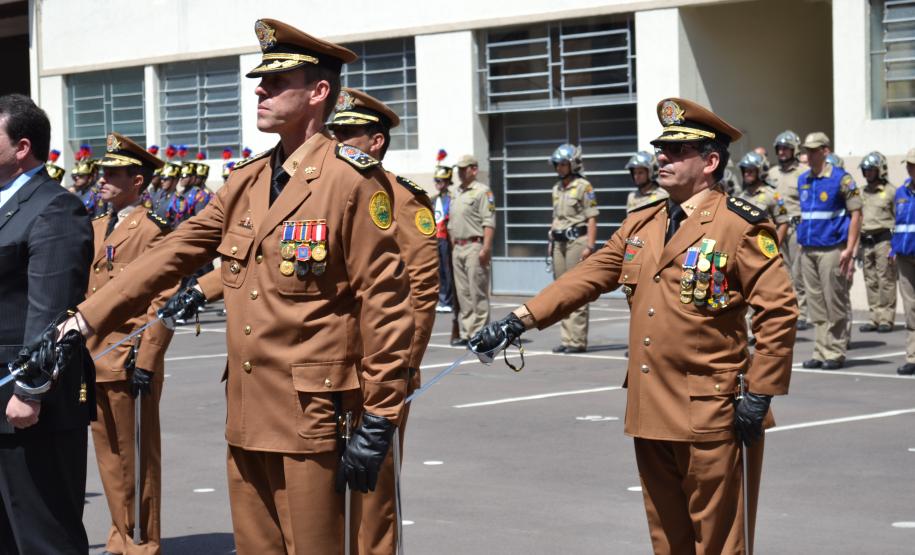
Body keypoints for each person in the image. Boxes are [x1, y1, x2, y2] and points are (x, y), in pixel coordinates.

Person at [50, 19, 414, 553]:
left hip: (313, 416)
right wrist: (84, 318)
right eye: (260, 80)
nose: (259, 90)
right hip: (246, 411)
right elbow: (176, 252)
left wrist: (381, 415)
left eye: (276, 81)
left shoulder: (351, 181)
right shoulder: (245, 180)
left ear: (318, 93)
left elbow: (385, 306)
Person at [471, 97, 797, 554]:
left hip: (712, 411)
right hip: (650, 408)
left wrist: (760, 392)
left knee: (720, 541)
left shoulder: (738, 225)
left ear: (710, 162)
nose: (662, 156)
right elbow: (586, 277)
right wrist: (517, 320)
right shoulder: (642, 223)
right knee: (668, 539)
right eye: (662, 148)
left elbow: (779, 310)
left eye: (677, 150)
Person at [328, 86, 438, 554]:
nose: (340, 144)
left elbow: (421, 289)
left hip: (378, 368)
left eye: (351, 135)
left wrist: (401, 369)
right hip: (328, 366)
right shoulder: (330, 190)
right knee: (326, 492)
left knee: (372, 495)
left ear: (377, 141)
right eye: (337, 135)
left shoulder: (400, 197)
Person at [0, 93, 95, 554]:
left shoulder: (55, 208)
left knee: (42, 534)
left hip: (28, 404)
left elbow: (51, 310)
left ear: (21, 147)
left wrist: (29, 391)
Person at [86, 132, 176, 555]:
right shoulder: (97, 226)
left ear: (137, 181)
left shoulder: (153, 231)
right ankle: (120, 535)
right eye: (102, 172)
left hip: (128, 357)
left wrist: (148, 357)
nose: (101, 179)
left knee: (137, 457)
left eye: (112, 174)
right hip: (93, 358)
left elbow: (164, 300)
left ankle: (143, 540)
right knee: (107, 456)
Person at [798, 132, 861, 370]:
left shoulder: (842, 179)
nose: (809, 155)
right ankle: (821, 350)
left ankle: (835, 352)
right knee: (815, 303)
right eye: (807, 150)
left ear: (825, 151)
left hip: (832, 248)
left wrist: (850, 249)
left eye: (814, 150)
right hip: (809, 249)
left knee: (834, 301)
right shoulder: (804, 179)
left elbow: (857, 213)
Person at [548, 143, 598, 353]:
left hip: (576, 242)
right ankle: (567, 338)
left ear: (573, 165)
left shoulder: (583, 187)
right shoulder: (556, 189)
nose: (560, 168)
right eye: (557, 164)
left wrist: (590, 246)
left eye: (563, 164)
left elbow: (592, 218)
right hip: (558, 243)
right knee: (561, 290)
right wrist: (550, 241)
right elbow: (556, 217)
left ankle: (577, 340)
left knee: (576, 290)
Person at [448, 154, 495, 346]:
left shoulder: (482, 192)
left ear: (474, 169)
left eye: (463, 168)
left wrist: (486, 248)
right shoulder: (456, 192)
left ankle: (481, 334)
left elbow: (489, 222)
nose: (459, 172)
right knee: (463, 293)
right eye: (458, 169)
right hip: (458, 247)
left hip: (475, 246)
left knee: (477, 293)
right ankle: (467, 333)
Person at [769, 130, 810, 330]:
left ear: (794, 150)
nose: (783, 152)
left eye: (786, 148)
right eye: (780, 148)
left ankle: (802, 312)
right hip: (777, 226)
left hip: (797, 225)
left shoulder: (804, 172)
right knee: (782, 271)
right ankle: (788, 309)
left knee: (799, 270)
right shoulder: (771, 173)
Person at [858, 151, 896, 333]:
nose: (868, 173)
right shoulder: (860, 192)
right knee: (870, 280)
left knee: (885, 279)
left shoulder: (891, 192)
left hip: (884, 240)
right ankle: (874, 317)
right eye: (866, 170)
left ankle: (886, 319)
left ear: (880, 170)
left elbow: (899, 218)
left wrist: (895, 246)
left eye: (872, 170)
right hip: (866, 241)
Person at [893, 148, 915, 375]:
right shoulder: (901, 192)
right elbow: (896, 223)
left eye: (913, 164)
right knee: (910, 307)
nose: (910, 168)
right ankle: (912, 356)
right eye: (908, 164)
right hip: (905, 256)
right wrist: (893, 247)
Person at [736, 151, 788, 243]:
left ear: (760, 171)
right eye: (744, 170)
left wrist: (774, 248)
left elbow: (783, 223)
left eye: (750, 170)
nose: (746, 174)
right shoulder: (740, 198)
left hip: (766, 247)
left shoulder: (772, 195)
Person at [432, 161, 455, 313]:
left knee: (448, 270)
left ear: (447, 182)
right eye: (436, 181)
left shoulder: (453, 199)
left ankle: (449, 300)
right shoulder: (433, 199)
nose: (438, 184)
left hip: (448, 238)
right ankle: (442, 299)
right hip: (436, 238)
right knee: (438, 270)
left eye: (440, 181)